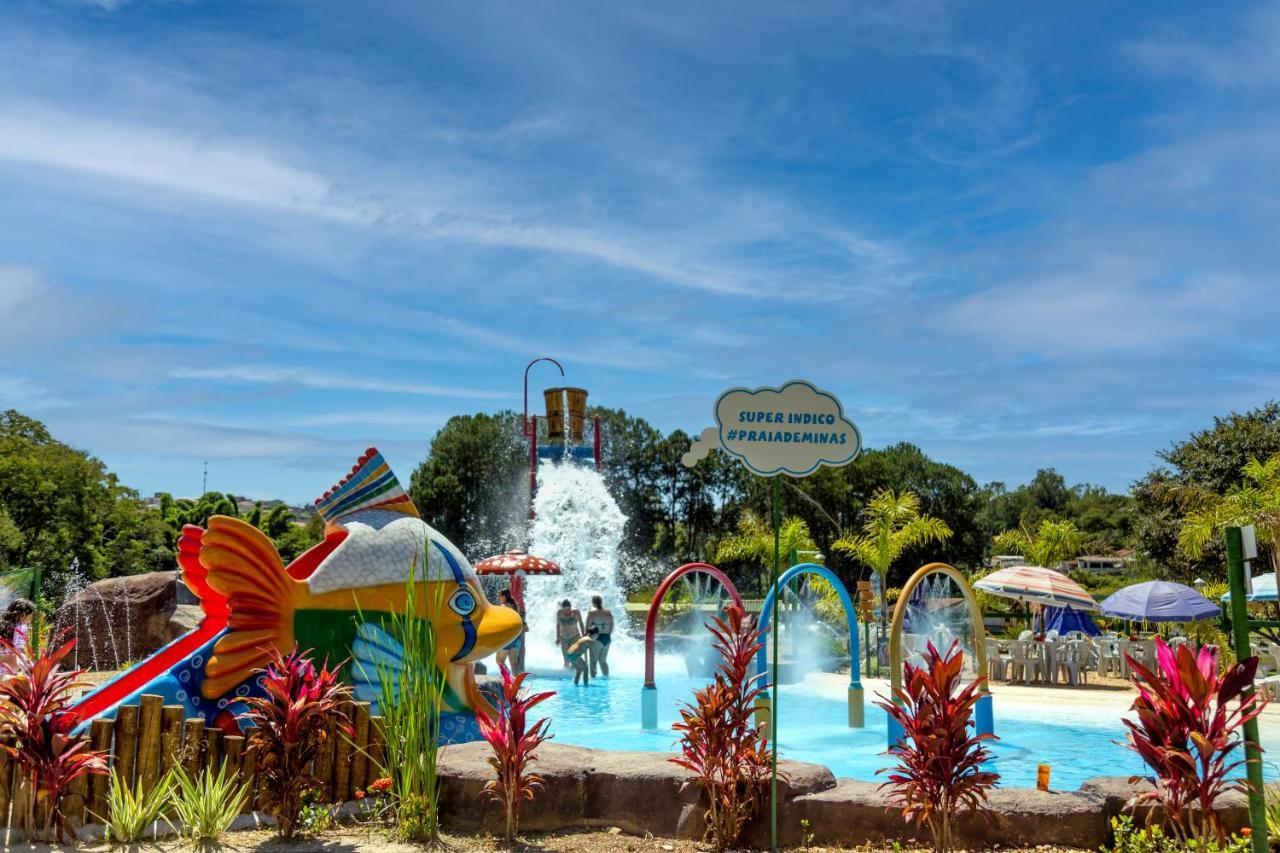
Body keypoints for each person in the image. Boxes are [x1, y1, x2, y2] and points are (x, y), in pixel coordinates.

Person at [0, 598, 36, 671]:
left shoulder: (21, 627)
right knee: (19, 659)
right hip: (7, 661)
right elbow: (19, 649)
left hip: (8, 663)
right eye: (30, 615)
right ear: (23, 615)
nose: (30, 619)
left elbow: (20, 648)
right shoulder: (17, 627)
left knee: (20, 659)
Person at [496, 588, 526, 675]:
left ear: (504, 596)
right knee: (514, 663)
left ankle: (507, 680)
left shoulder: (503, 607)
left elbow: (500, 622)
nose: (498, 597)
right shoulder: (514, 606)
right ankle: (517, 684)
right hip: (516, 637)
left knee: (499, 661)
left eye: (500, 595)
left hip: (506, 638)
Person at [585, 594, 614, 677]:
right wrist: (607, 634)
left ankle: (593, 679)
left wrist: (586, 638)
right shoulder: (608, 612)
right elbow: (612, 625)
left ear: (593, 603)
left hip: (597, 639)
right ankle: (606, 678)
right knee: (603, 661)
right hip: (607, 638)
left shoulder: (591, 612)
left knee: (593, 660)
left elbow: (587, 627)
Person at [556, 599, 584, 668]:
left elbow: (581, 623)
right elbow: (558, 625)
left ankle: (574, 674)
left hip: (574, 637)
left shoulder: (576, 612)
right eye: (565, 610)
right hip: (563, 638)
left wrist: (583, 635)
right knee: (566, 660)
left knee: (573, 659)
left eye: (569, 609)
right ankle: (566, 676)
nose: (567, 611)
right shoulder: (559, 613)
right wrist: (557, 637)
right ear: (562, 609)